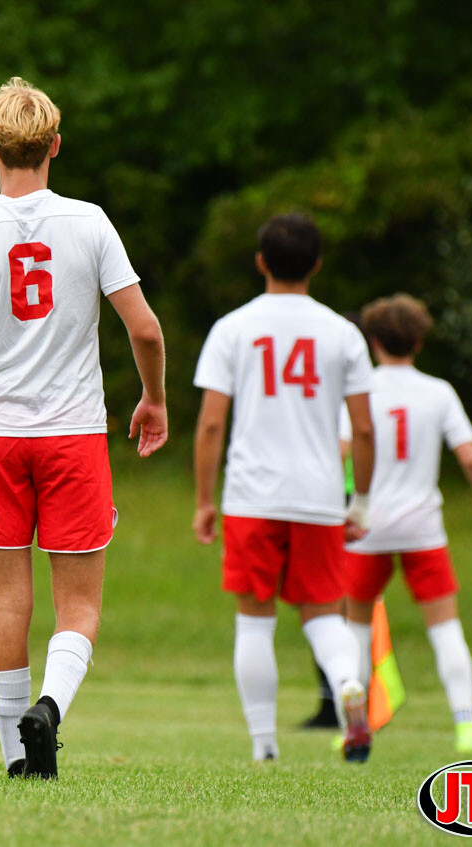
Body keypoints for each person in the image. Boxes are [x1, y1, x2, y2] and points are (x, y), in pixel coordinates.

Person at [0, 77, 168, 779]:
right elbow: (145, 329)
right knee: (79, 605)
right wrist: (154, 398)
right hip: (73, 434)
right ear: (55, 145)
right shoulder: (90, 222)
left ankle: (15, 759)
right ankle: (50, 707)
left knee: (5, 600)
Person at [192, 213, 376, 763]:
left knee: (255, 620)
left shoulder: (233, 328)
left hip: (252, 495)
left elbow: (210, 424)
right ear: (316, 265)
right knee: (324, 616)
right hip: (319, 495)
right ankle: (348, 682)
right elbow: (364, 429)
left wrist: (204, 500)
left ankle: (264, 745)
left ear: (260, 262)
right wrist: (360, 502)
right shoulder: (343, 333)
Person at [340, 294, 472, 754]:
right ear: (418, 342)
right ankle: (467, 727)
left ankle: (354, 726)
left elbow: (340, 451)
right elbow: (469, 457)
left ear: (374, 342)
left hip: (366, 527)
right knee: (445, 627)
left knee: (356, 628)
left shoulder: (358, 391)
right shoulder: (439, 392)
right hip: (423, 529)